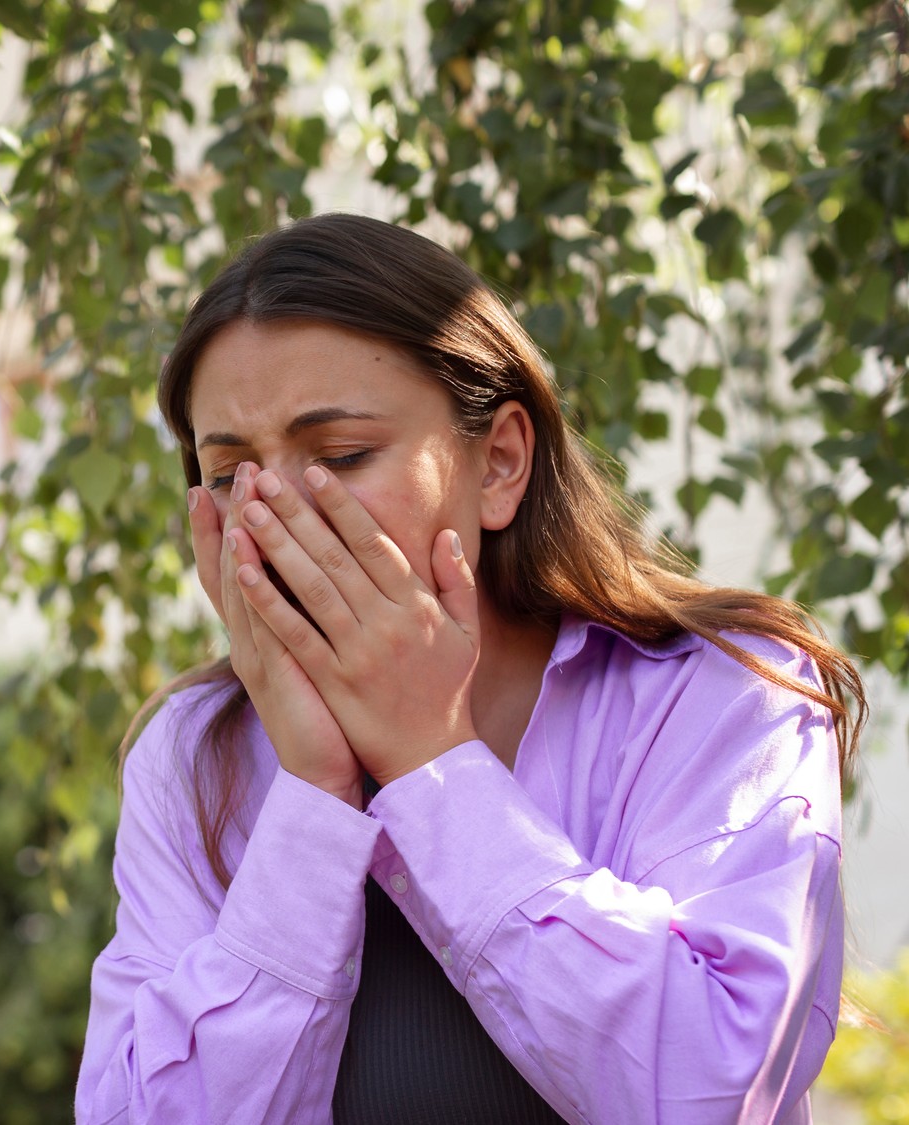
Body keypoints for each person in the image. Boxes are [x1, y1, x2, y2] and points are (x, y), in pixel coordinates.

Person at [73, 213, 867, 1124]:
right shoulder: (193, 756)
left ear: (498, 462)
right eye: (229, 474)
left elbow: (711, 1085)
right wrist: (314, 799)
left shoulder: (727, 694)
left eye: (338, 457)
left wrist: (430, 760)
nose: (275, 511)